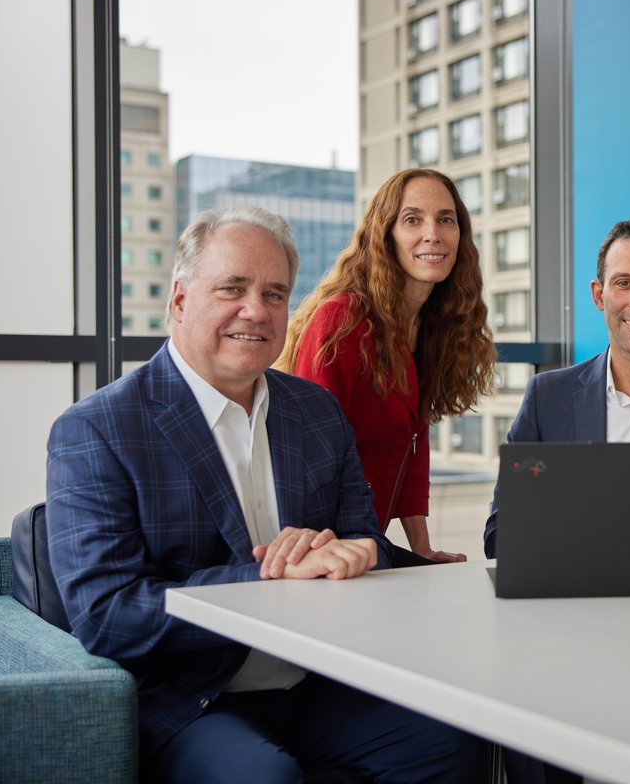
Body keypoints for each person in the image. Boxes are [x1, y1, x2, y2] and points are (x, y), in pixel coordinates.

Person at [46, 206, 482, 782]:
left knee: (461, 737)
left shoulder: (315, 411)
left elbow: (363, 539)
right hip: (193, 699)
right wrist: (272, 579)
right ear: (179, 300)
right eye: (232, 288)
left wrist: (357, 553)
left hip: (317, 677)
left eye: (275, 294)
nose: (256, 310)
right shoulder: (98, 428)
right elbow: (107, 616)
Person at [279, 168, 495, 563]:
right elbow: (308, 453)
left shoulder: (431, 327)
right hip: (324, 543)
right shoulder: (341, 321)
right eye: (412, 220)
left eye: (446, 219)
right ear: (385, 235)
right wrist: (329, 550)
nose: (433, 233)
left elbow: (414, 447)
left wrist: (421, 548)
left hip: (363, 541)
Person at [484, 218, 630, 559]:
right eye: (624, 283)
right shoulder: (547, 399)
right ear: (599, 295)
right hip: (580, 601)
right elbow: (501, 532)